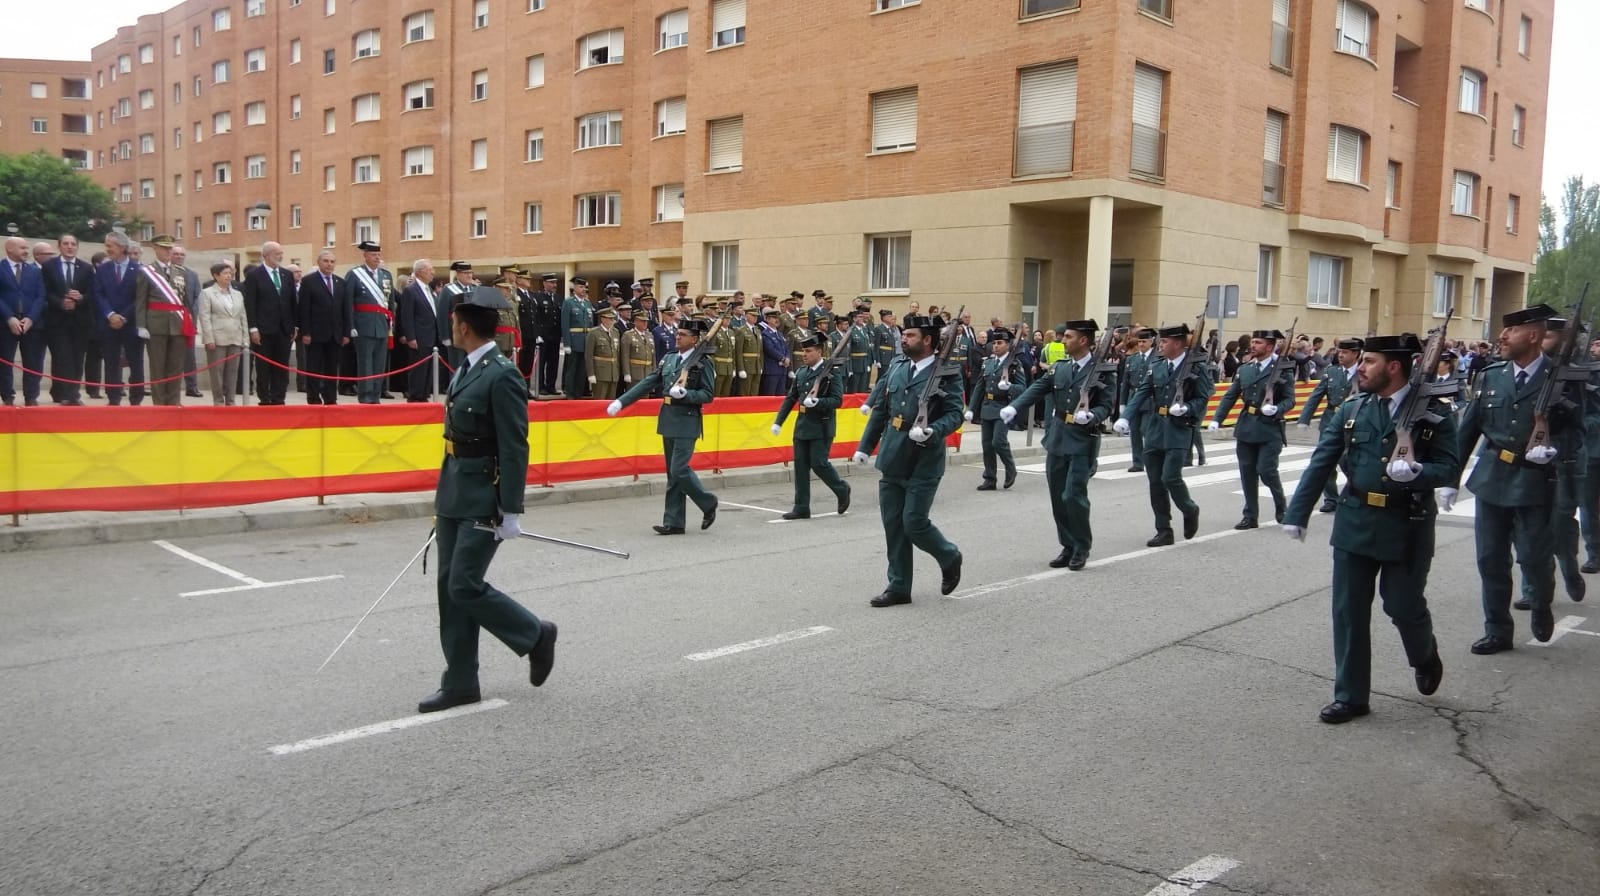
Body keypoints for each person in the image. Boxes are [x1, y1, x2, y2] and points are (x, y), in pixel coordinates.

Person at [1282, 334, 1458, 724]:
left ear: (1393, 367)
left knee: (1402, 606)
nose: (1360, 367)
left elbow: (1449, 467)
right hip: (1355, 519)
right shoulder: (1354, 408)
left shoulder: (1436, 412)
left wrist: (1418, 472)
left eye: (1370, 361)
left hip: (1407, 523)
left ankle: (1424, 653)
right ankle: (1351, 696)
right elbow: (1321, 461)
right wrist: (1297, 513)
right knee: (1348, 612)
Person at [421, 286, 558, 714]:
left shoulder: (502, 375)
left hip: (484, 495)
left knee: (465, 584)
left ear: (463, 326)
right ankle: (461, 681)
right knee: (449, 590)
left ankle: (535, 633)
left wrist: (511, 508)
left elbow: (515, 445)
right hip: (455, 493)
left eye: (454, 322)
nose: (452, 327)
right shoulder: (465, 368)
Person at [1456, 304, 1575, 653]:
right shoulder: (1492, 375)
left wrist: (1555, 448)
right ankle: (1497, 629)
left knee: (1533, 558)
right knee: (1490, 558)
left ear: (1534, 336)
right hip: (1492, 475)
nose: (1502, 336)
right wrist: (1450, 477)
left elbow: (1584, 428)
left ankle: (1540, 603)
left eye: (1512, 331)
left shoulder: (1563, 377)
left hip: (1536, 480)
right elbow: (1469, 428)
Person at [851, 314, 964, 607]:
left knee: (913, 523)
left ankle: (948, 554)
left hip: (924, 459)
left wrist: (932, 430)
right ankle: (899, 586)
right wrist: (865, 446)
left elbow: (954, 414)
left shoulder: (947, 373)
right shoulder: (899, 367)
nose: (904, 339)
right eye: (904, 334)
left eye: (911, 335)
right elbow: (882, 411)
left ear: (928, 340)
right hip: (892, 455)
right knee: (893, 524)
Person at [1001, 319, 1114, 570]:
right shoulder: (1060, 367)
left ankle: (1082, 545)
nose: (1063, 341)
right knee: (1057, 497)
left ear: (1083, 341)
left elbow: (1107, 404)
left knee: (1073, 495)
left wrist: (1093, 415)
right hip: (1058, 436)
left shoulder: (1102, 370)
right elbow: (1038, 388)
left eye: (1069, 337)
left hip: (1083, 439)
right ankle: (1068, 544)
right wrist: (1014, 406)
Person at [607, 318, 720, 535]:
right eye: (677, 333)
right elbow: (649, 382)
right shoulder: (669, 359)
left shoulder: (703, 362)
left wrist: (687, 394)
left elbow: (708, 395)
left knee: (679, 469)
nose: (677, 337)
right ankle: (674, 521)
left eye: (683, 334)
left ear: (695, 339)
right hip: (668, 419)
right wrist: (622, 401)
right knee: (672, 474)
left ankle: (708, 502)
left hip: (687, 420)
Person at [1514, 318, 1591, 608]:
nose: (1543, 341)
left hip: (1565, 462)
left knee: (1559, 524)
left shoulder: (1576, 374)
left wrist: (1555, 446)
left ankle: (1569, 566)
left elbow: (1586, 419)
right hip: (1527, 464)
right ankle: (1532, 588)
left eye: (1550, 336)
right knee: (1525, 528)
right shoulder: (1524, 373)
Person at [1115, 323, 1215, 546]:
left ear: (1178, 344)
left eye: (1165, 341)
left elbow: (1204, 397)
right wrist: (1125, 416)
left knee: (1170, 477)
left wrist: (1188, 408)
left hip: (1179, 428)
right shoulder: (1158, 366)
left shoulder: (1195, 368)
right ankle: (1163, 529)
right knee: (1155, 482)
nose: (1160, 345)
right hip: (1155, 427)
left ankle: (1189, 509)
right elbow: (1143, 392)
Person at [1208, 330, 1296, 529]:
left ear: (1270, 346)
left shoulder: (1283, 368)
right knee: (1247, 472)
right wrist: (1217, 419)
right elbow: (1231, 395)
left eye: (1258, 342)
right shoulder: (1245, 368)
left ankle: (1281, 507)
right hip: (1247, 425)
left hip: (1269, 428)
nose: (1253, 345)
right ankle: (1250, 515)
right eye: (1253, 341)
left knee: (1266, 471)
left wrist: (1277, 408)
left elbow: (1290, 399)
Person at [771, 333, 852, 520]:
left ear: (819, 352)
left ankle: (841, 489)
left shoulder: (831, 373)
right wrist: (778, 422)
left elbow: (837, 400)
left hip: (821, 426)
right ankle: (801, 507)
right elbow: (791, 398)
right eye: (803, 351)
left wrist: (818, 402)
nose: (804, 355)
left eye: (808, 351)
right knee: (800, 467)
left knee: (819, 464)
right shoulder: (801, 372)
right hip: (802, 426)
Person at [1296, 338, 1364, 512]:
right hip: (1331, 420)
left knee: (1350, 462)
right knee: (1325, 461)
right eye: (1339, 352)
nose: (1340, 355)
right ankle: (1331, 499)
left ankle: (1356, 494)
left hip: (1356, 422)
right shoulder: (1331, 371)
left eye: (1345, 352)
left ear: (1356, 354)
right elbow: (1317, 396)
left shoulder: (1364, 373)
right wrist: (1305, 418)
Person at [133, 235, 195, 407]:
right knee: (158, 367)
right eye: (164, 248)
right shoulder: (146, 272)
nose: (169, 251)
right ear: (155, 248)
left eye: (170, 248)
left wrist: (191, 323)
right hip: (156, 325)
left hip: (178, 324)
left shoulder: (181, 272)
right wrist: (141, 325)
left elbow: (186, 302)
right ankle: (160, 404)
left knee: (176, 368)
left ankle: (174, 402)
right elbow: (140, 300)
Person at [964, 327, 1026, 490]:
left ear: (1008, 345)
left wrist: (1009, 386)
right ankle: (990, 478)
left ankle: (1010, 467)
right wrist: (971, 408)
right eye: (994, 343)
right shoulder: (988, 363)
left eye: (1000, 343)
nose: (996, 346)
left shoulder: (1013, 364)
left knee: (998, 441)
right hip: (987, 406)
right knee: (987, 445)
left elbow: (1023, 388)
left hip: (1004, 407)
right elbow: (979, 386)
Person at [41, 235, 96, 406]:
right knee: (62, 358)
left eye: (73, 244)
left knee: (78, 358)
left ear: (77, 247)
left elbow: (92, 293)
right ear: (59, 246)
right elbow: (45, 291)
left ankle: (72, 393)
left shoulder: (86, 268)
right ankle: (66, 394)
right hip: (57, 321)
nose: (70, 247)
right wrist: (61, 302)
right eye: (66, 244)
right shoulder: (49, 266)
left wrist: (80, 299)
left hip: (80, 321)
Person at [242, 241, 297, 405]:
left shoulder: (287, 275)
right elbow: (250, 304)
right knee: (264, 366)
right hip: (263, 329)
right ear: (265, 256)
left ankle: (279, 397)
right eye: (276, 253)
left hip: (284, 328)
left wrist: (294, 325)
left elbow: (293, 301)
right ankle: (264, 397)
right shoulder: (254, 275)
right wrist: (253, 328)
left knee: (281, 365)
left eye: (281, 253)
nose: (280, 256)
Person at [94, 232, 145, 406]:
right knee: (111, 361)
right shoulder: (102, 269)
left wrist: (123, 316)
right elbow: (98, 294)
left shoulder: (139, 270)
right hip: (109, 324)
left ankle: (136, 398)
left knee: (136, 361)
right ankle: (113, 397)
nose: (107, 250)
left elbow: (140, 298)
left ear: (122, 248)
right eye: (106, 246)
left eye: (110, 246)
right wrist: (110, 314)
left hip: (131, 323)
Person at [344, 240, 395, 405]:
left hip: (382, 324)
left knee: (379, 363)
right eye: (373, 255)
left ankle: (376, 394)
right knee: (365, 362)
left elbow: (391, 301)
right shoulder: (355, 274)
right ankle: (365, 396)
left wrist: (391, 324)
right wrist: (350, 325)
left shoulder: (386, 275)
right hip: (363, 325)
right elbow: (348, 302)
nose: (377, 258)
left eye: (379, 255)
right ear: (365, 256)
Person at [0, 237, 47, 407]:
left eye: (27, 247)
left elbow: (41, 296)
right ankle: (7, 396)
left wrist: (31, 318)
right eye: (22, 248)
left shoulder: (35, 271)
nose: (26, 251)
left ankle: (31, 397)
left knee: (33, 362)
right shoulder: (1, 268)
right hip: (5, 324)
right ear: (9, 249)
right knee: (5, 362)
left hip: (31, 325)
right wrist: (9, 317)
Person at [298, 250, 349, 405]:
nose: (329, 264)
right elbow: (304, 308)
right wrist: (305, 332)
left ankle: (330, 398)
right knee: (314, 367)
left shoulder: (341, 282)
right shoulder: (308, 281)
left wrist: (346, 332)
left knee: (332, 369)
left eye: (332, 262)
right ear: (319, 262)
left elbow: (345, 309)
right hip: (315, 333)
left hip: (335, 334)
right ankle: (313, 398)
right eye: (326, 261)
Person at [197, 261, 249, 405]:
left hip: (235, 337)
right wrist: (209, 338)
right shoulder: (207, 293)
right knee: (217, 372)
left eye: (230, 273)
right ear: (216, 275)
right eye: (225, 273)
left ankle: (231, 401)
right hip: (217, 338)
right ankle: (218, 401)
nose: (229, 276)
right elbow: (205, 317)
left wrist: (245, 339)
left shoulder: (237, 294)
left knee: (232, 372)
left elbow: (243, 317)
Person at [395, 259, 438, 402]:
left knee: (428, 370)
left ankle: (424, 394)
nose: (433, 273)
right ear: (420, 272)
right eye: (430, 269)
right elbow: (406, 316)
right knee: (418, 369)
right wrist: (410, 337)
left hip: (431, 335)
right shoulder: (411, 290)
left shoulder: (429, 290)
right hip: (419, 336)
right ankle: (415, 396)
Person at [1118, 328, 1157, 472]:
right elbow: (1125, 383)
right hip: (1133, 399)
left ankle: (1151, 459)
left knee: (1146, 430)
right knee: (1134, 432)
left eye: (1144, 341)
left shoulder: (1157, 358)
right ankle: (1138, 462)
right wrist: (1122, 403)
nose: (1141, 344)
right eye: (1139, 341)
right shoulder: (1131, 359)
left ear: (1151, 342)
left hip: (1149, 400)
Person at [170, 245, 204, 399]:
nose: (179, 257)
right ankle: (169, 387)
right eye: (176, 254)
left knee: (189, 357)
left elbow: (197, 297)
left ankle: (192, 386)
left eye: (181, 254)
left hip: (187, 321)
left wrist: (192, 317)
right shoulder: (163, 273)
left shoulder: (192, 275)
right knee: (168, 357)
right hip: (168, 320)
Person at [560, 276, 593, 398]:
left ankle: (578, 393)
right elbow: (565, 324)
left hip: (586, 341)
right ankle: (570, 393)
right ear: (574, 288)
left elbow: (591, 324)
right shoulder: (569, 302)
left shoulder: (587, 303)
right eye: (581, 287)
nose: (583, 289)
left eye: (585, 287)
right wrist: (567, 343)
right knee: (572, 369)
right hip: (574, 341)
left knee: (582, 370)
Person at [1584, 336, 1600, 576]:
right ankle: (1594, 552)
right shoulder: (1586, 373)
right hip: (1593, 450)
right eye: (1596, 344)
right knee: (1588, 503)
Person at [585, 306, 621, 400]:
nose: (612, 321)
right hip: (600, 373)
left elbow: (617, 353)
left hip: (613, 373)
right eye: (609, 319)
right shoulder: (594, 333)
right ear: (603, 319)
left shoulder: (615, 332)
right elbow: (588, 355)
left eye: (612, 319)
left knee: (611, 401)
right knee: (599, 400)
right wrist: (591, 374)